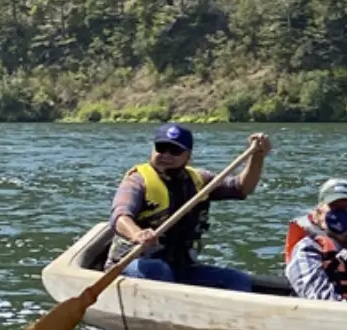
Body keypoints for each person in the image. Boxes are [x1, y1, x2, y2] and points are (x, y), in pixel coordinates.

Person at [108, 124, 272, 292]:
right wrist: (137, 234)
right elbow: (120, 216)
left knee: (238, 281)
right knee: (157, 270)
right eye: (161, 148)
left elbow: (242, 188)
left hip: (180, 267)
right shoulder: (137, 181)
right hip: (133, 265)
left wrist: (257, 157)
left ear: (188, 155)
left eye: (174, 151)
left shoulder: (200, 180)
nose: (166, 155)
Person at [284, 178, 347, 301]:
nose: (341, 214)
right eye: (334, 208)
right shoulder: (306, 249)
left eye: (346, 208)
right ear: (319, 213)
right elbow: (318, 297)